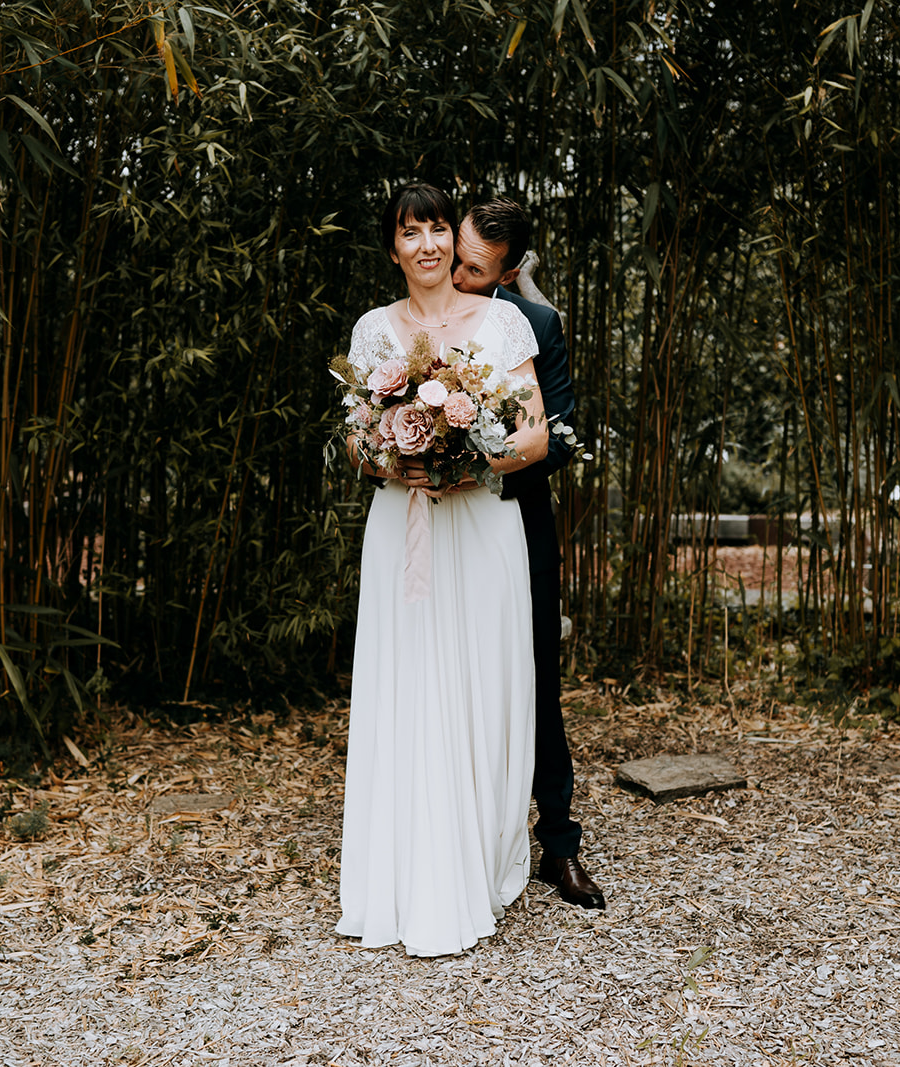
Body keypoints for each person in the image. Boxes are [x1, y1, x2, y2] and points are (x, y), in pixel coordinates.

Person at [335, 182, 549, 957]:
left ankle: (478, 854)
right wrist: (395, 460)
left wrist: (470, 458)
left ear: (450, 240)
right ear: (391, 247)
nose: (425, 244)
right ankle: (403, 871)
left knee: (481, 684)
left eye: (434, 228)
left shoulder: (504, 320)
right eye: (409, 231)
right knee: (408, 680)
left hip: (482, 522)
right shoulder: (371, 330)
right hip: (405, 525)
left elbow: (533, 439)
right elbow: (357, 442)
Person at [450, 198, 605, 910]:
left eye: (474, 268)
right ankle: (453, 834)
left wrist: (481, 456)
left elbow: (563, 435)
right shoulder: (423, 313)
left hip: (516, 522)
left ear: (510, 272)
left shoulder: (536, 324)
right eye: (454, 255)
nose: (454, 272)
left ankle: (560, 844)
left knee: (538, 675)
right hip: (441, 526)